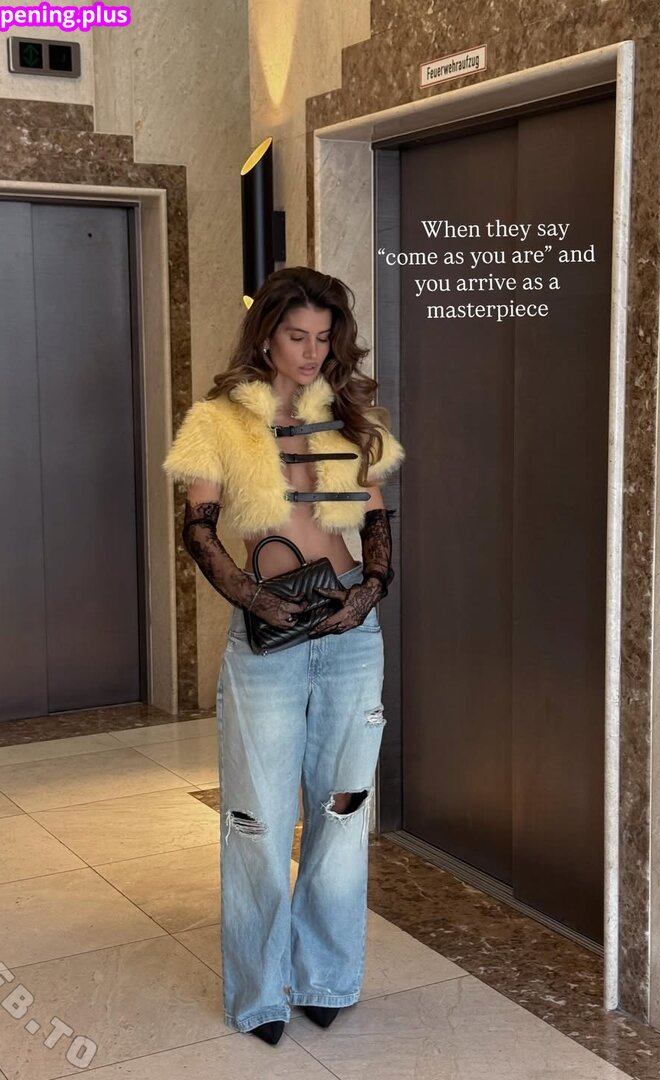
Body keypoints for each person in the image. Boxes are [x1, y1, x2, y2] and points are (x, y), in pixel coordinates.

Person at [162, 266, 405, 1046]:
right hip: (268, 631)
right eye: (297, 335)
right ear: (266, 334)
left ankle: (326, 976)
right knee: (257, 820)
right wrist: (253, 598)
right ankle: (261, 992)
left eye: (323, 338)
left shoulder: (349, 417)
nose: (310, 351)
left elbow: (375, 520)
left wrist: (371, 590)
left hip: (349, 628)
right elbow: (199, 528)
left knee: (343, 809)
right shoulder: (218, 422)